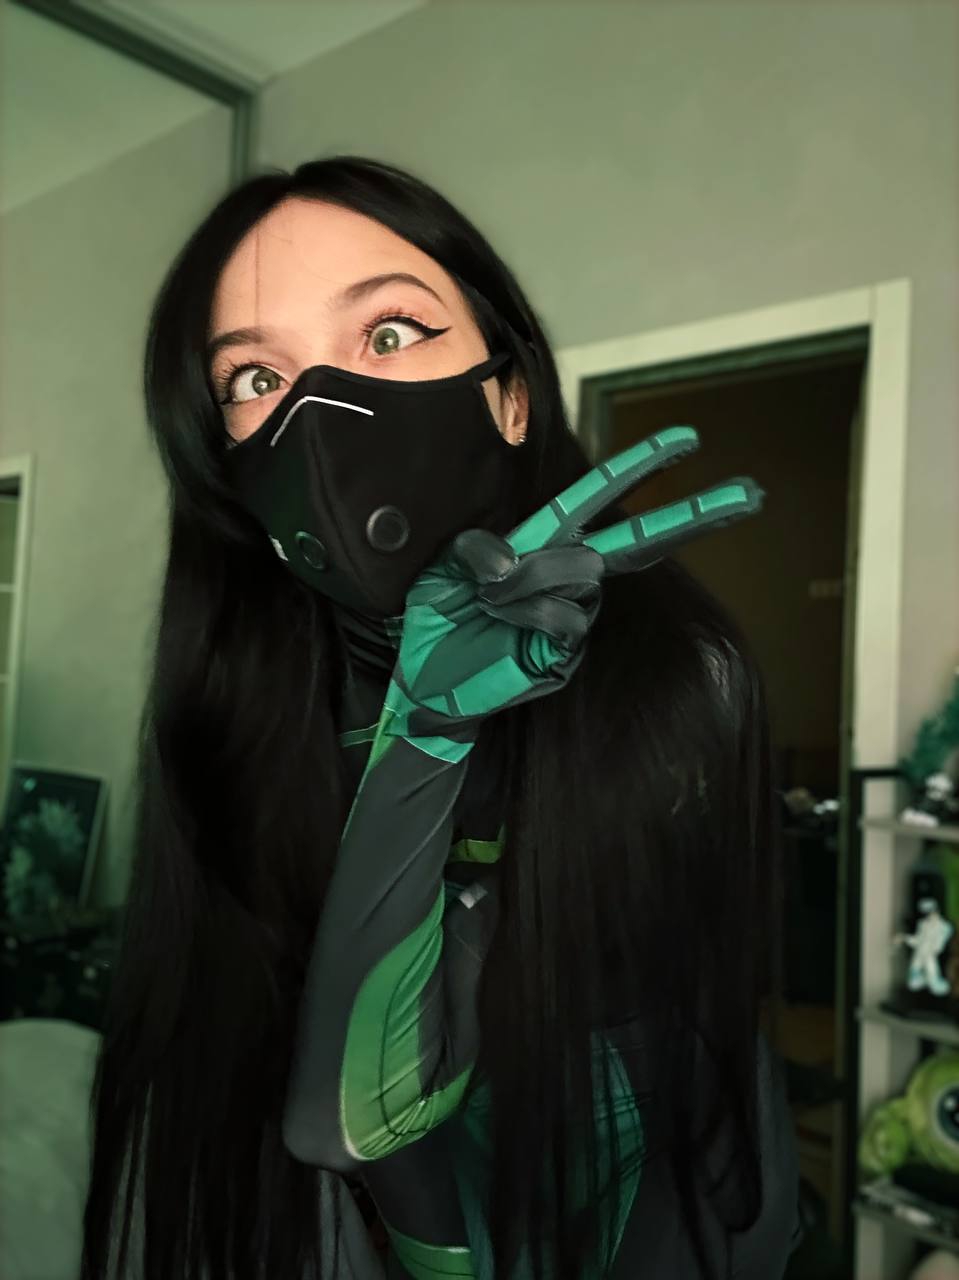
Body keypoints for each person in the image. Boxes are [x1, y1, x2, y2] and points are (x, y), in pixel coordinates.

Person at [80, 155, 802, 1280]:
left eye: (388, 333)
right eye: (256, 377)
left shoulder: (680, 683)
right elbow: (337, 1123)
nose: (321, 414)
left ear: (509, 397)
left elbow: (703, 1056)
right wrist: (425, 730)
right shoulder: (233, 715)